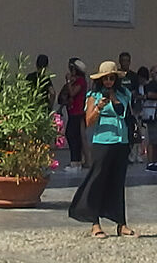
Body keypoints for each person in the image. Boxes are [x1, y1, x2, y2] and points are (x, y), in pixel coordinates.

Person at [69, 59, 137, 238]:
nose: (108, 82)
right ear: (100, 80)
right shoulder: (94, 96)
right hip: (103, 142)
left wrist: (114, 98)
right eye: (105, 79)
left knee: (118, 182)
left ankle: (121, 224)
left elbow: (127, 114)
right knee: (97, 181)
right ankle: (95, 223)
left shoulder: (124, 94)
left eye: (111, 78)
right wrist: (99, 107)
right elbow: (89, 121)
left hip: (121, 142)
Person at [61, 59, 89, 168]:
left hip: (78, 112)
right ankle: (76, 160)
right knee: (73, 135)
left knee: (73, 135)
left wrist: (68, 82)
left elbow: (72, 93)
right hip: (72, 111)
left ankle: (76, 161)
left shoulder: (81, 81)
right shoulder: (75, 81)